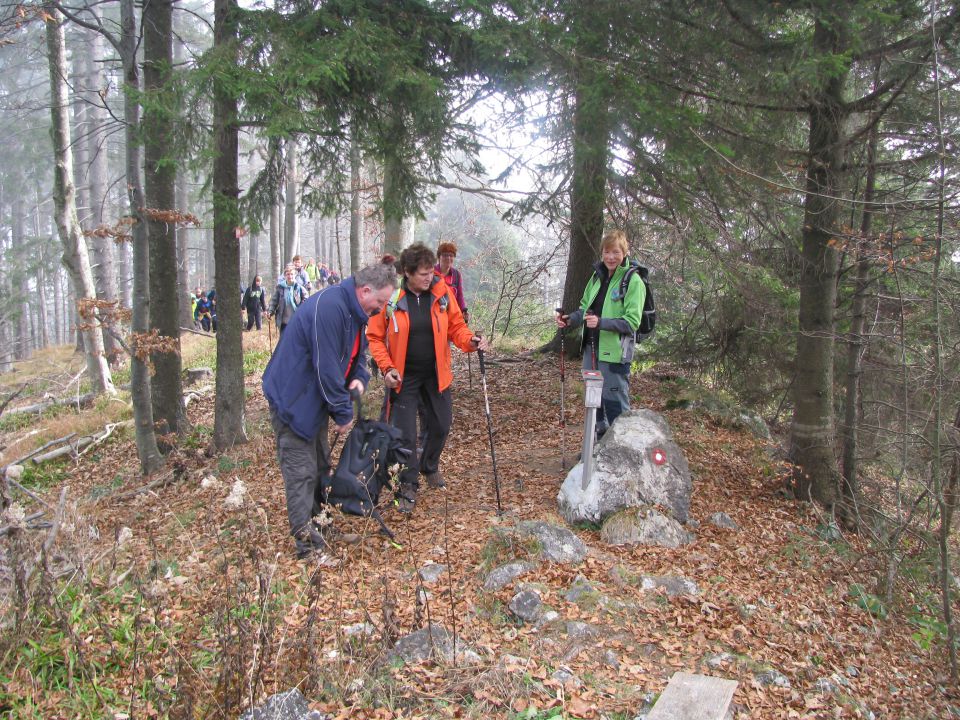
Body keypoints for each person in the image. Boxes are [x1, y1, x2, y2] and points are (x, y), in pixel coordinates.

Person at [262, 263, 398, 559]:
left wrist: (360, 380)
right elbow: (326, 368)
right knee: (303, 474)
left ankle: (320, 527)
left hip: (313, 403)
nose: (381, 308)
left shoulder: (356, 314)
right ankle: (308, 548)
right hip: (293, 402)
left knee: (321, 467)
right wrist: (342, 413)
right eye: (380, 301)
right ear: (365, 291)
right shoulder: (330, 308)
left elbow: (356, 358)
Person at [367, 242, 489, 514]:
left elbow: (456, 326)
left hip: (436, 373)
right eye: (423, 273)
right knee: (406, 435)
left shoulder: (441, 291)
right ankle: (408, 485)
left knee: (441, 425)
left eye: (430, 271)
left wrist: (471, 341)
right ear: (408, 273)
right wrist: (387, 368)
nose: (429, 276)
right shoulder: (393, 297)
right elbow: (374, 337)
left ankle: (429, 465)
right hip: (404, 377)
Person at [556, 229, 645, 438]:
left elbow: (632, 322)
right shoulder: (597, 277)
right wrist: (570, 320)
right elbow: (585, 310)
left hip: (615, 354)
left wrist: (601, 323)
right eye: (607, 252)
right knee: (594, 401)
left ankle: (621, 449)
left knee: (615, 403)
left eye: (616, 252)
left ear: (624, 253)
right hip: (591, 350)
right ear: (602, 253)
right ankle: (595, 447)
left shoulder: (633, 281)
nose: (610, 257)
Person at [268, 265, 308, 336]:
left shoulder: (299, 288)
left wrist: (302, 308)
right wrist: (270, 311)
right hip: (284, 322)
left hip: (297, 321)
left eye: (292, 274)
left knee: (296, 342)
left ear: (294, 275)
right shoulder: (280, 288)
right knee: (284, 343)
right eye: (288, 274)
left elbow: (306, 300)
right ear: (285, 276)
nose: (290, 276)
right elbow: (274, 301)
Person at [435, 241, 468, 323]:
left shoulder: (456, 275)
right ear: (439, 257)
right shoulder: (431, 273)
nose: (448, 258)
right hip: (435, 316)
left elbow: (459, 296)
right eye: (445, 255)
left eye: (451, 255)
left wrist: (464, 310)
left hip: (451, 317)